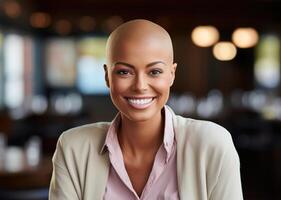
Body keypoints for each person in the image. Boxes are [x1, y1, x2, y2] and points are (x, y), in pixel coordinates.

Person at [49, 19, 243, 200]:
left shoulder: (213, 144)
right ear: (107, 76)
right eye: (124, 72)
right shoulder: (73, 148)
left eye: (154, 72)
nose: (140, 86)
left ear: (172, 74)